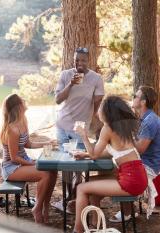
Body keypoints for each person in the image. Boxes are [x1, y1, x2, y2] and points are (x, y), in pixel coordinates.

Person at [72, 95, 148, 233]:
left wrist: (83, 135)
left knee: (81, 188)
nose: (98, 111)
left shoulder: (108, 128)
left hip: (131, 179)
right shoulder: (122, 126)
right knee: (91, 184)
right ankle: (95, 226)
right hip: (137, 176)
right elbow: (111, 151)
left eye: (100, 108)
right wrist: (85, 154)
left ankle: (78, 230)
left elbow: (95, 154)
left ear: (107, 112)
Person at [54, 47, 104, 212]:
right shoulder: (65, 75)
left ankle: (75, 197)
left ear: (88, 61)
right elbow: (57, 99)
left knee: (79, 163)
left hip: (79, 129)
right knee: (66, 164)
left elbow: (97, 101)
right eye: (76, 60)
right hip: (62, 125)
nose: (79, 63)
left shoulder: (96, 78)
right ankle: (69, 198)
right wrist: (71, 84)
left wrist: (90, 117)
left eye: (82, 60)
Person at [109, 85, 160, 222]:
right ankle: (128, 208)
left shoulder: (149, 121)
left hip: (149, 166)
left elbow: (140, 149)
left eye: (135, 96)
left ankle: (127, 211)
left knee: (118, 168)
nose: (133, 97)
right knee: (114, 165)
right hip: (145, 161)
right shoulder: (144, 119)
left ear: (143, 102)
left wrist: (121, 141)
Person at [0, 94, 57, 223]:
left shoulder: (23, 120)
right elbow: (14, 158)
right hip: (11, 168)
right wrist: (31, 164)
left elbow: (28, 144)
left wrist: (47, 143)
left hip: (23, 162)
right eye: (22, 100)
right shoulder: (12, 129)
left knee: (53, 170)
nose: (25, 101)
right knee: (45, 174)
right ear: (18, 107)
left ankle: (45, 206)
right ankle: (37, 208)